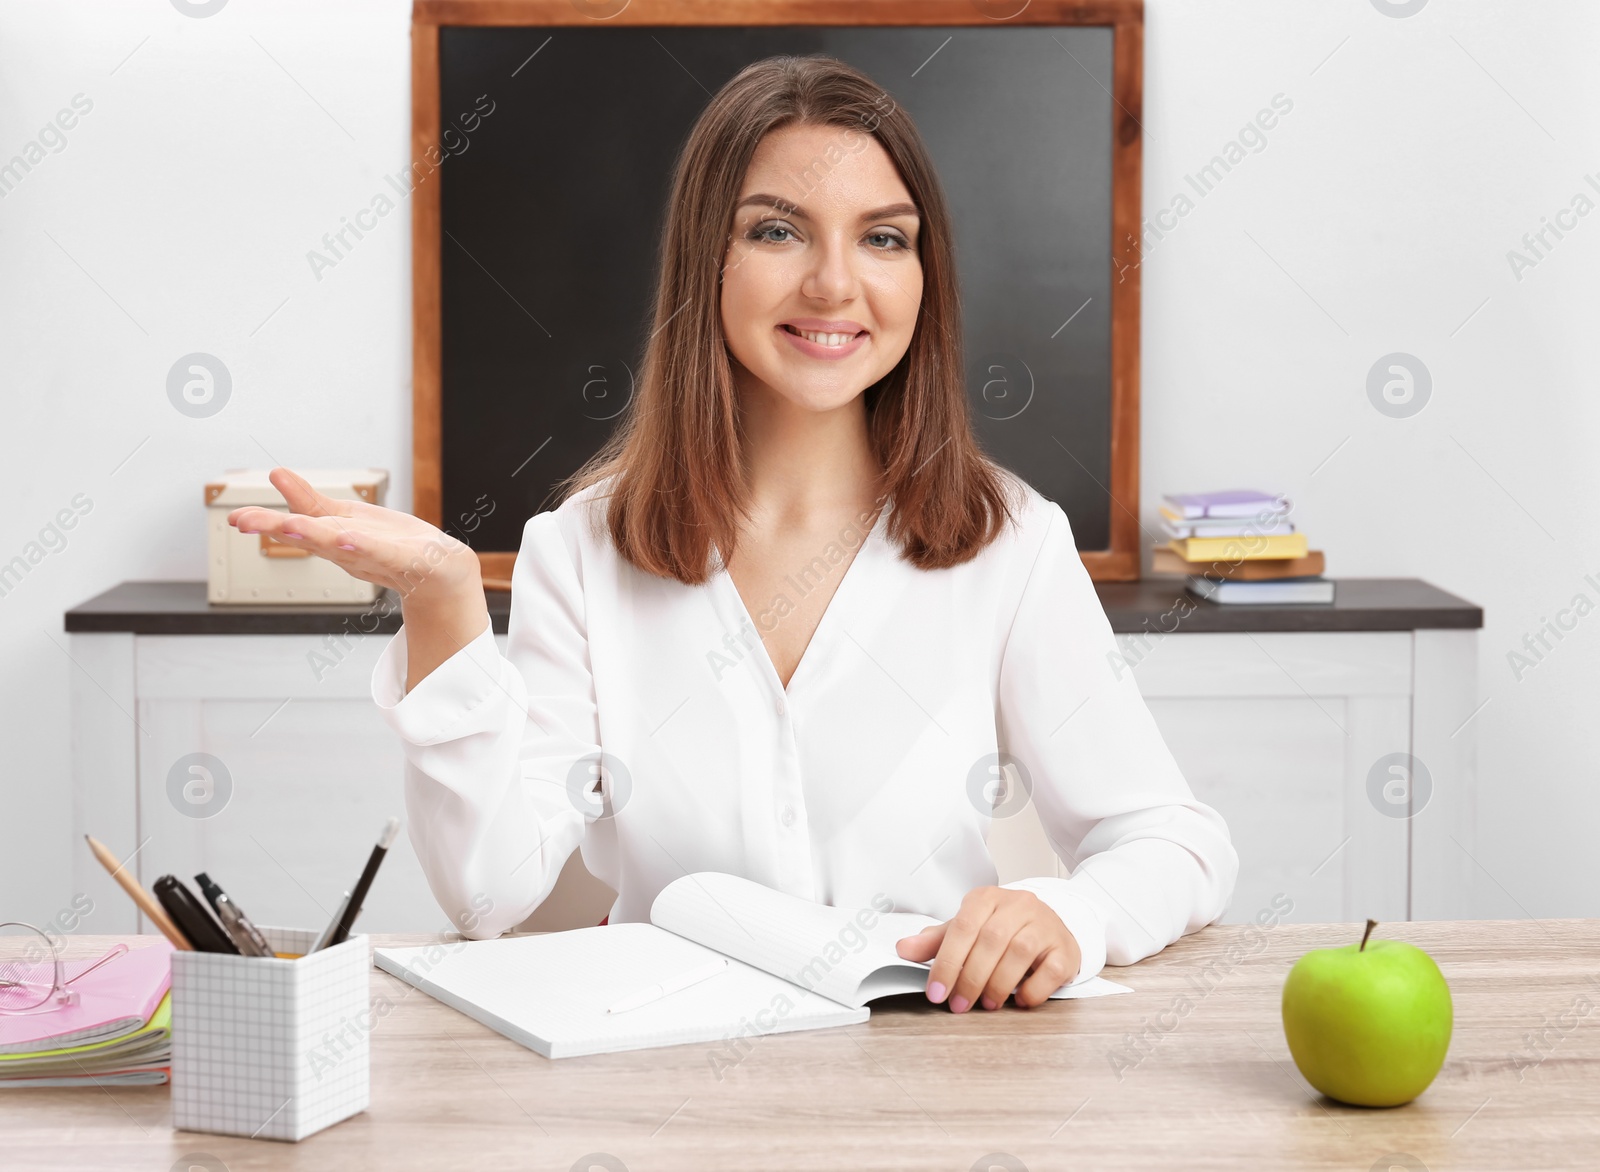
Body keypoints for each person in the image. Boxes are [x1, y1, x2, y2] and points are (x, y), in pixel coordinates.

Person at [227, 55, 1237, 1015]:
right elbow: (487, 892)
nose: (835, 285)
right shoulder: (581, 552)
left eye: (883, 237)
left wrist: (1068, 911)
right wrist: (444, 600)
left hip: (934, 1073)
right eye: (778, 232)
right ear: (705, 258)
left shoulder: (1008, 541)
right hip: (661, 1080)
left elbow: (1171, 838)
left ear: (924, 275)